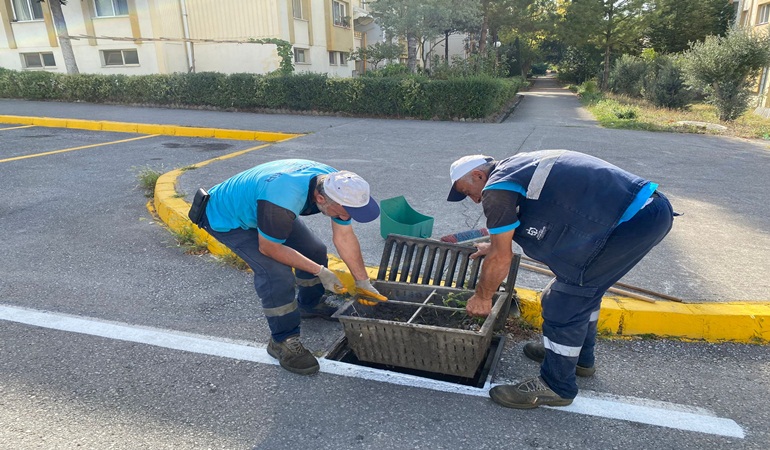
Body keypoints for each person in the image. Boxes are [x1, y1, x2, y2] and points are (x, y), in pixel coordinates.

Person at [446, 150, 674, 409]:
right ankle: (578, 359)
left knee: (564, 301)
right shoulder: (515, 167)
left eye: (468, 192)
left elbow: (501, 258)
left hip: (632, 221)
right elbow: (531, 218)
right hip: (644, 211)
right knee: (582, 291)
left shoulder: (496, 190)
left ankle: (556, 386)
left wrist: (483, 296)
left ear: (478, 175)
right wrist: (497, 245)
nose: (475, 200)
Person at [191, 159, 383, 375]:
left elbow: (345, 237)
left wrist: (363, 281)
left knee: (315, 251)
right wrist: (320, 271)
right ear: (320, 198)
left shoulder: (335, 184)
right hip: (227, 217)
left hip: (262, 207)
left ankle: (309, 304)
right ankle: (282, 341)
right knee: (276, 273)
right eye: (343, 212)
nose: (346, 217)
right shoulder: (283, 199)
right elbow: (269, 248)